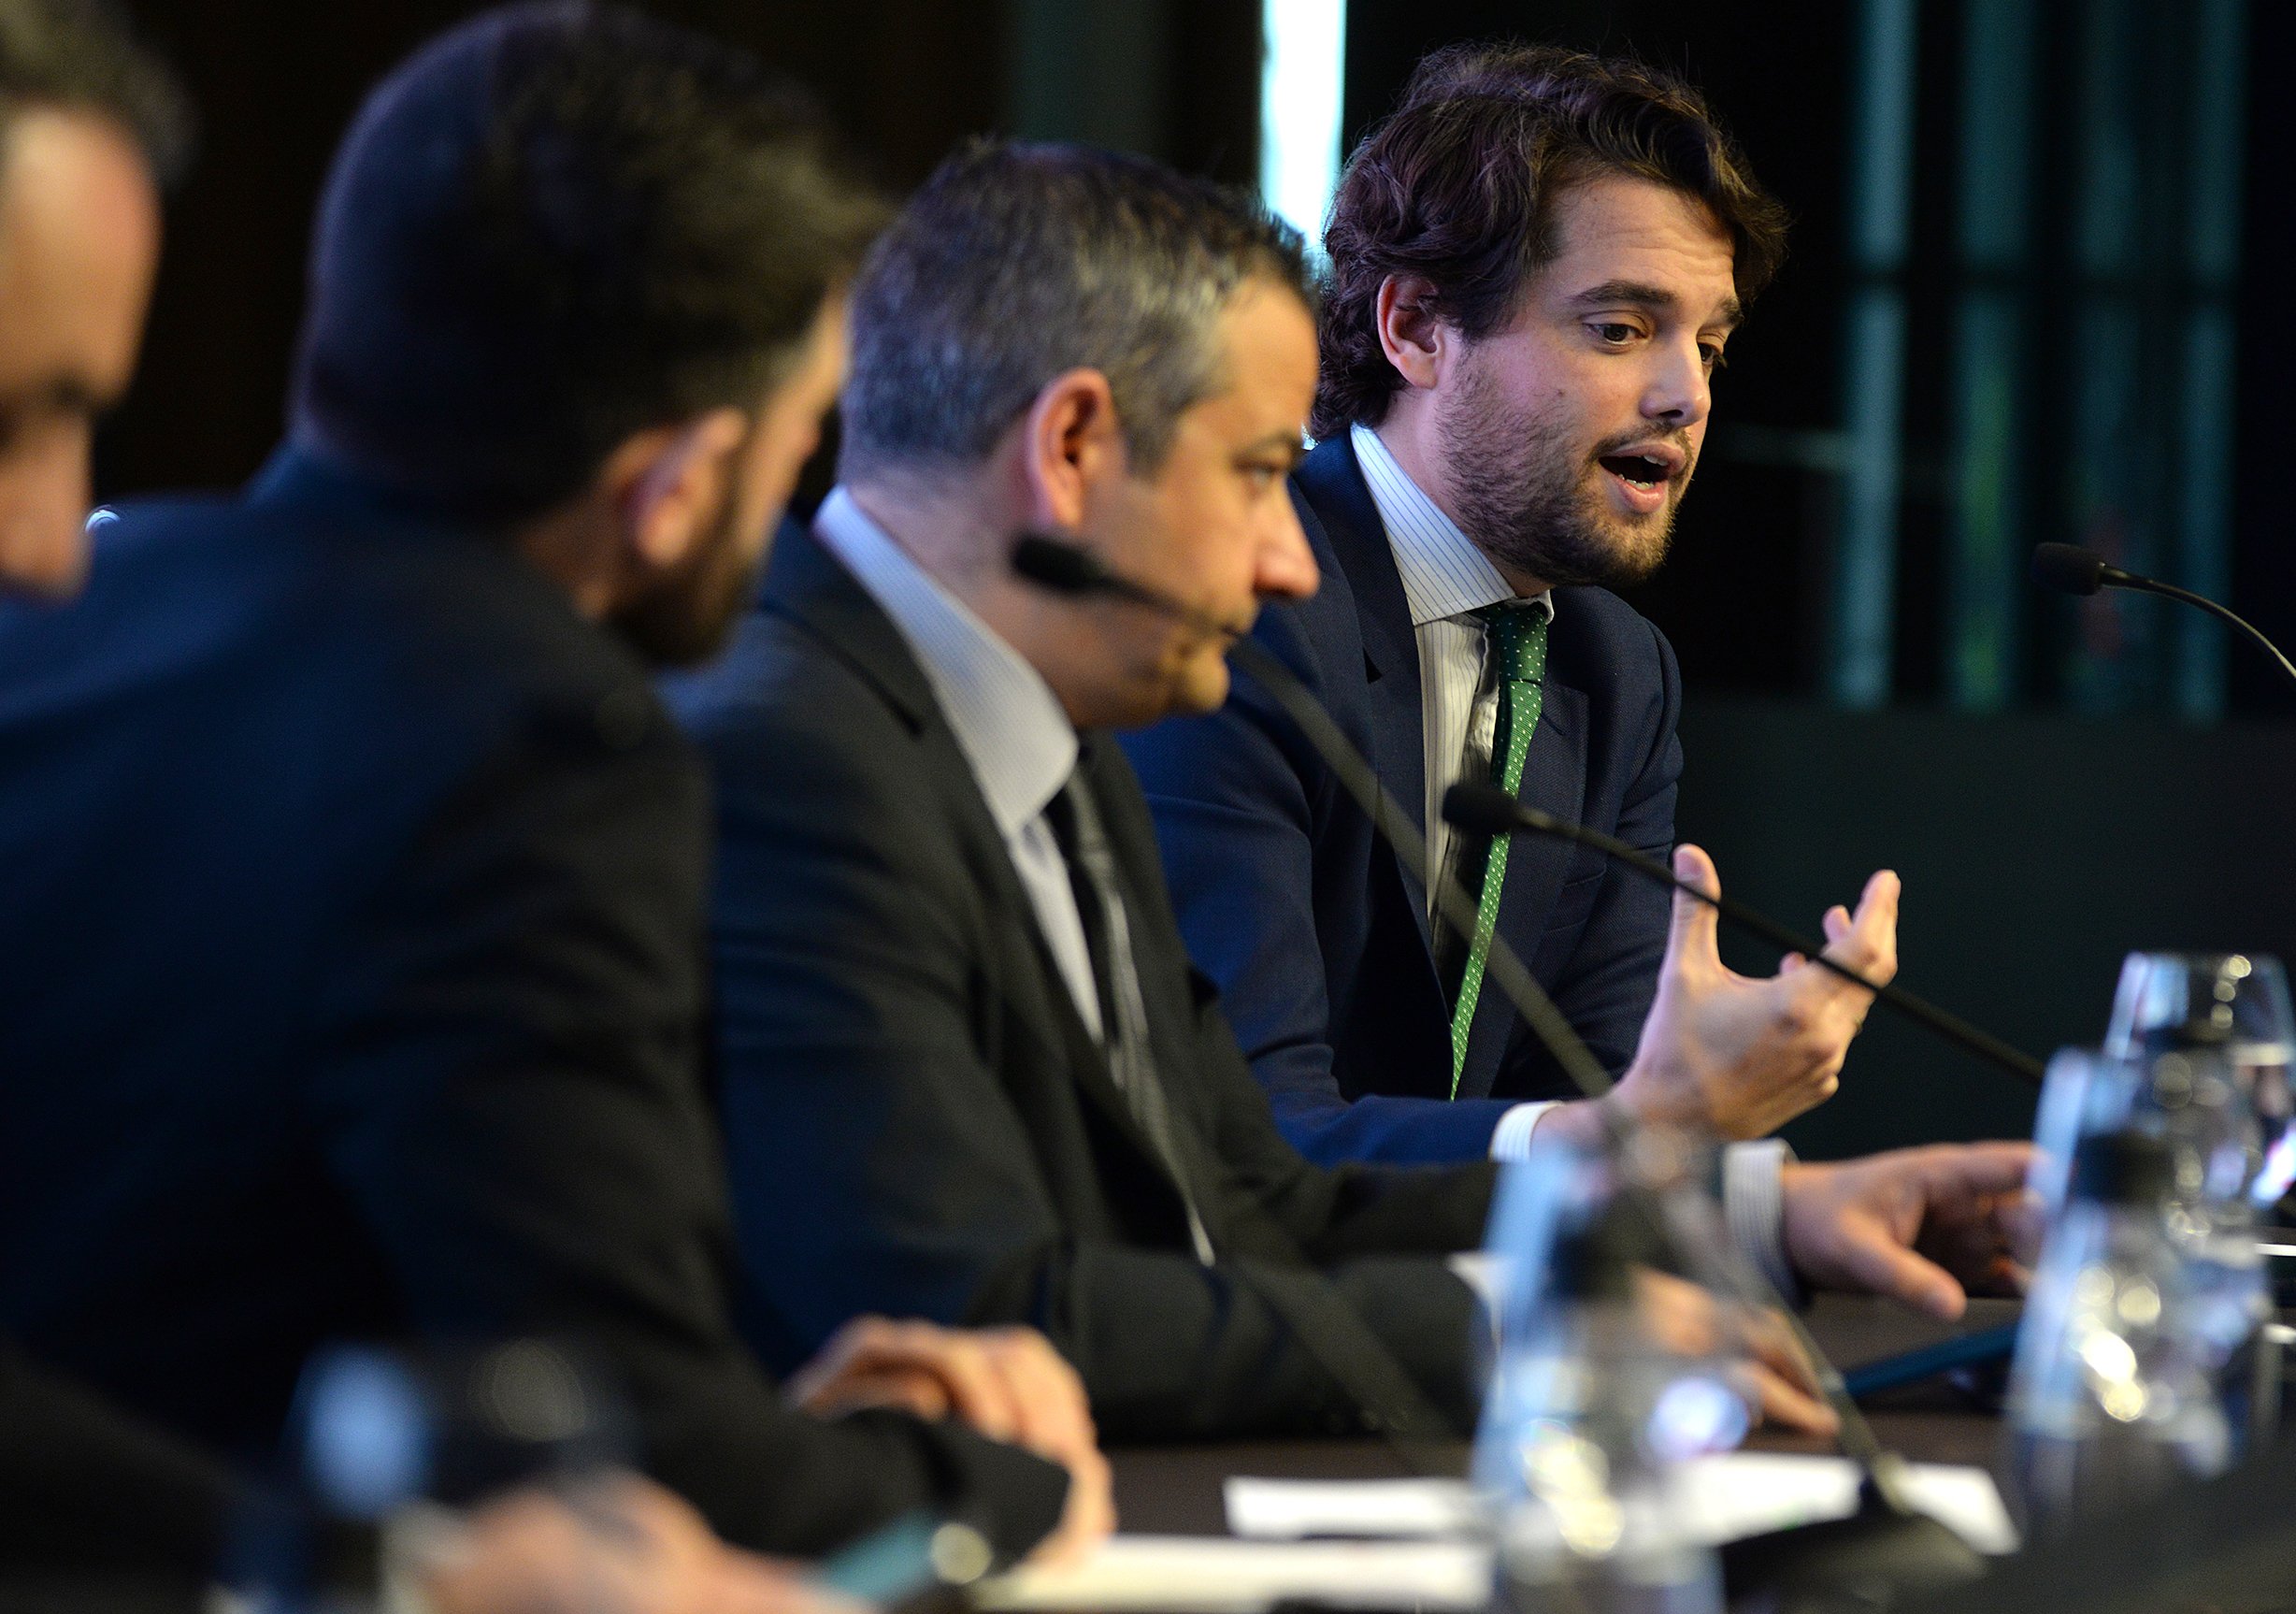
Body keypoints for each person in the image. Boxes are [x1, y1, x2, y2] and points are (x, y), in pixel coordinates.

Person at [669, 140, 2035, 1449]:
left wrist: (1756, 1220)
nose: (1285, 558)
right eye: (1261, 476)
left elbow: (1254, 1194)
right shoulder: (792, 759)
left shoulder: (1048, 737)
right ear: (1072, 445)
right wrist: (1518, 1334)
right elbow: (972, 1306)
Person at [0, 1, 1101, 1569]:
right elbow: (622, 1423)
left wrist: (774, 1431)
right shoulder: (528, 740)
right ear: (673, 486)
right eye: (795, 445)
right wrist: (987, 1482)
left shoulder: (85, 613)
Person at [1125, 43, 1893, 1176]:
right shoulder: (1239, 611)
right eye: (1619, 329)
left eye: (1709, 346)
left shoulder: (1615, 671)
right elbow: (1244, 1129)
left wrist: (1762, 1183)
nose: (1685, 395)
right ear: (1415, 329)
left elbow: (1599, 1099)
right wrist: (1643, 1128)